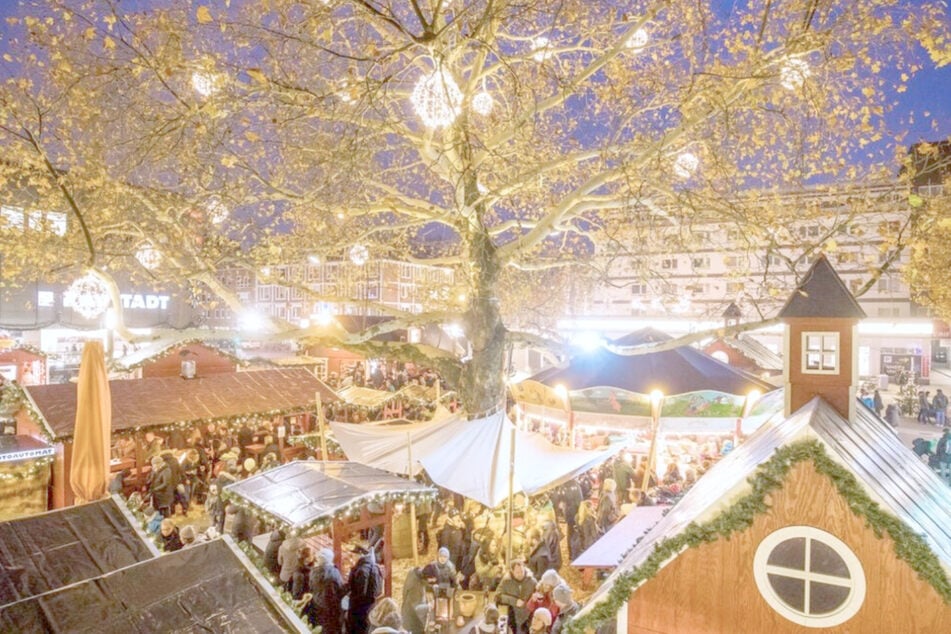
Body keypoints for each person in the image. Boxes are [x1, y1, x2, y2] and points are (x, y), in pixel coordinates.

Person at [304, 547, 346, 634]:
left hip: (318, 602)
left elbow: (311, 587)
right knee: (332, 625)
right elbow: (340, 589)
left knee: (322, 624)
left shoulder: (313, 572)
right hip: (331, 605)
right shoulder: (334, 573)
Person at [347, 545, 384, 634]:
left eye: (353, 555)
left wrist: (350, 599)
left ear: (360, 554)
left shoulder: (362, 570)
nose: (352, 558)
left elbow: (361, 593)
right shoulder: (373, 566)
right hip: (371, 605)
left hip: (360, 608)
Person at [496, 559, 536, 634]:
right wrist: (514, 601)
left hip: (528, 617)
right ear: (512, 572)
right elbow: (498, 596)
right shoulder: (506, 581)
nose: (520, 574)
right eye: (517, 572)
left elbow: (538, 593)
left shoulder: (531, 581)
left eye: (522, 571)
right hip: (513, 616)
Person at [401, 567, 428, 634]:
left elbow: (404, 592)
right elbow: (417, 608)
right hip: (413, 622)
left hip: (407, 610)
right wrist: (429, 606)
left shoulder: (413, 572)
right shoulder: (415, 590)